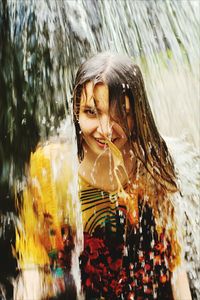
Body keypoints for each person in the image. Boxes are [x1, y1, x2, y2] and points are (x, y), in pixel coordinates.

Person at [16, 52, 192, 300]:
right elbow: (34, 260)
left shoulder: (152, 165)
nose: (106, 130)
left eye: (121, 114)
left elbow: (174, 263)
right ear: (76, 110)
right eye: (91, 112)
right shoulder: (51, 166)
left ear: (138, 114)